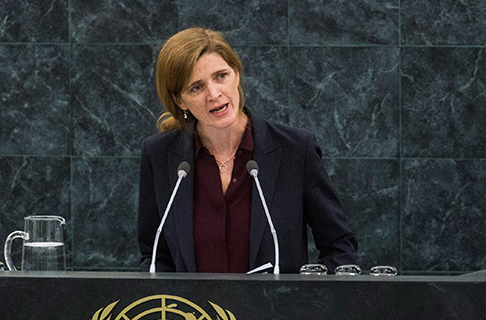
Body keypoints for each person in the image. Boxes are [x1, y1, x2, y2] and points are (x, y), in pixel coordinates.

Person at [138, 28, 358, 274]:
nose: (214, 94)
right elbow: (155, 255)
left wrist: (307, 302)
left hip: (277, 311)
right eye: (196, 88)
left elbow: (339, 247)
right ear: (180, 100)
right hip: (193, 313)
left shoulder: (295, 150)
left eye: (221, 76)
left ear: (237, 74)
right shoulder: (159, 155)